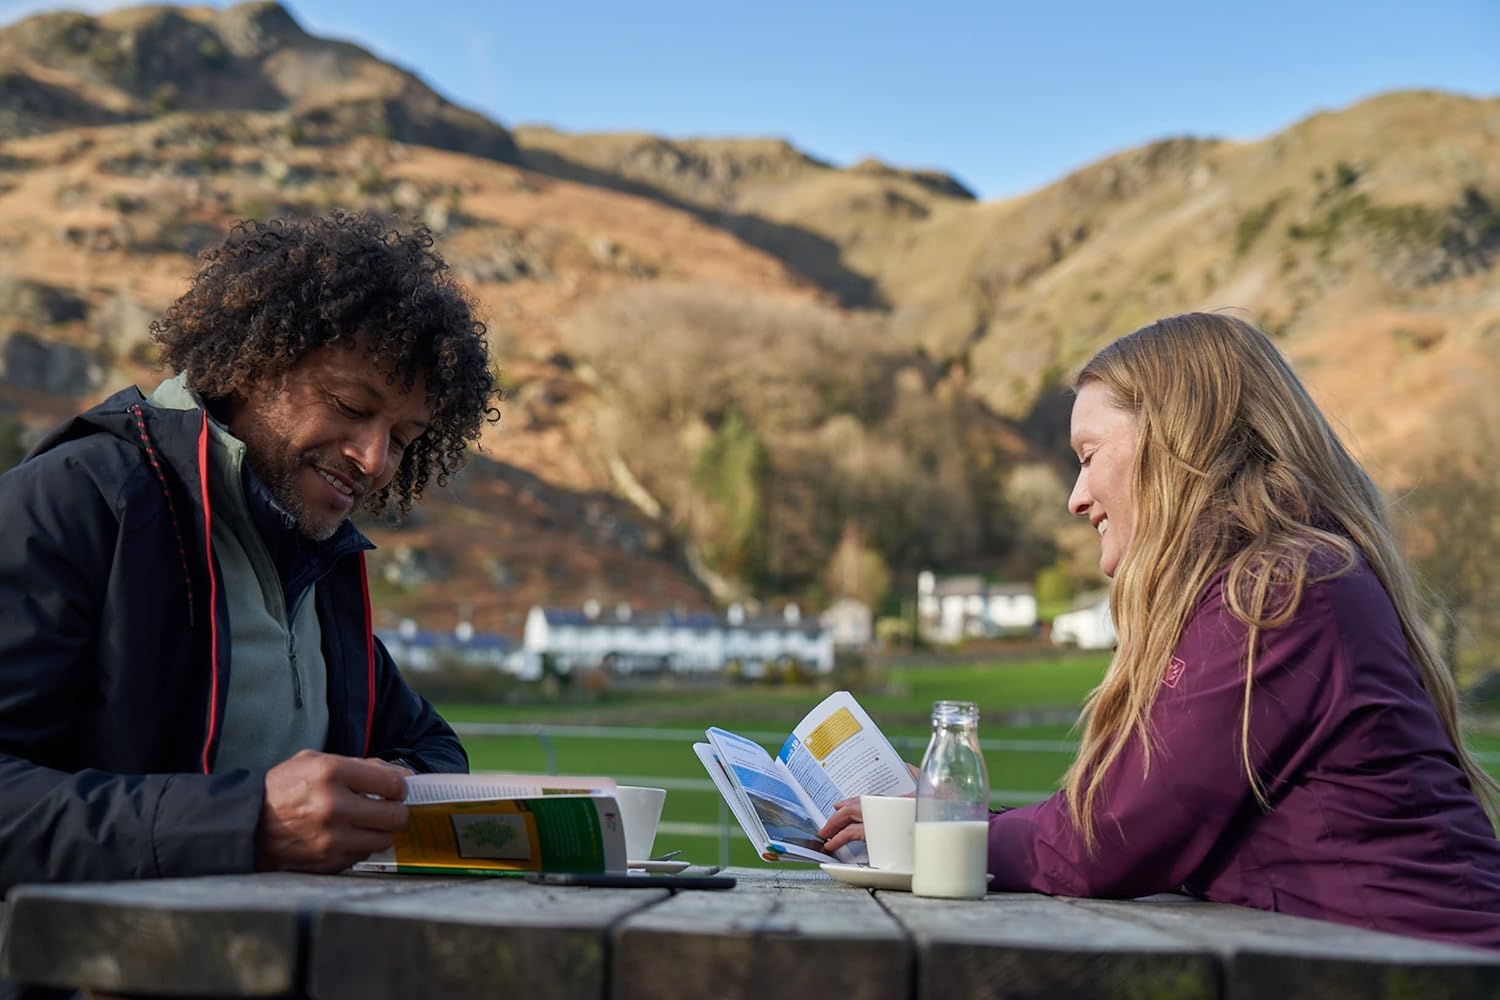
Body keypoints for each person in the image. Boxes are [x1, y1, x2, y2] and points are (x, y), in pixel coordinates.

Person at [822, 312, 1500, 950]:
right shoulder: (1279, 580)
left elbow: (1112, 839)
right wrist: (955, 824)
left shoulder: (1275, 595)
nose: (1076, 497)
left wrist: (939, 830)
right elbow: (1124, 820)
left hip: (1431, 970)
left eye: (1089, 455)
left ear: (1177, 442)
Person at [0, 213, 498, 897]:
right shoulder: (73, 500)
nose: (374, 460)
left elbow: (432, 744)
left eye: (405, 440)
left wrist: (393, 788)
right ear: (249, 367)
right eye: (351, 404)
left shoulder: (317, 561)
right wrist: (244, 823)